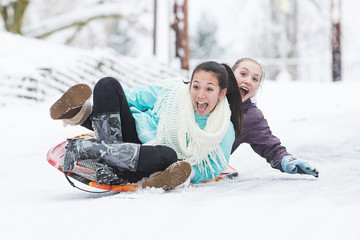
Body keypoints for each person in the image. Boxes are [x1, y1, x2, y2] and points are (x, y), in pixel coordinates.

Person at [50, 61, 243, 190]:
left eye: (209, 89)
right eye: (196, 86)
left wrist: (190, 173)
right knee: (107, 84)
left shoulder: (223, 128)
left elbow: (214, 166)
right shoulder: (172, 91)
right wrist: (107, 104)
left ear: (221, 93)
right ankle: (110, 164)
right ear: (190, 84)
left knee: (168, 155)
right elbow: (132, 98)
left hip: (148, 161)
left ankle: (87, 132)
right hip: (129, 137)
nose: (200, 95)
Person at [230, 58, 319, 178]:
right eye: (243, 74)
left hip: (206, 165)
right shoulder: (205, 94)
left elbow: (270, 147)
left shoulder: (250, 117)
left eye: (255, 79)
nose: (248, 81)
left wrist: (286, 160)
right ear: (230, 74)